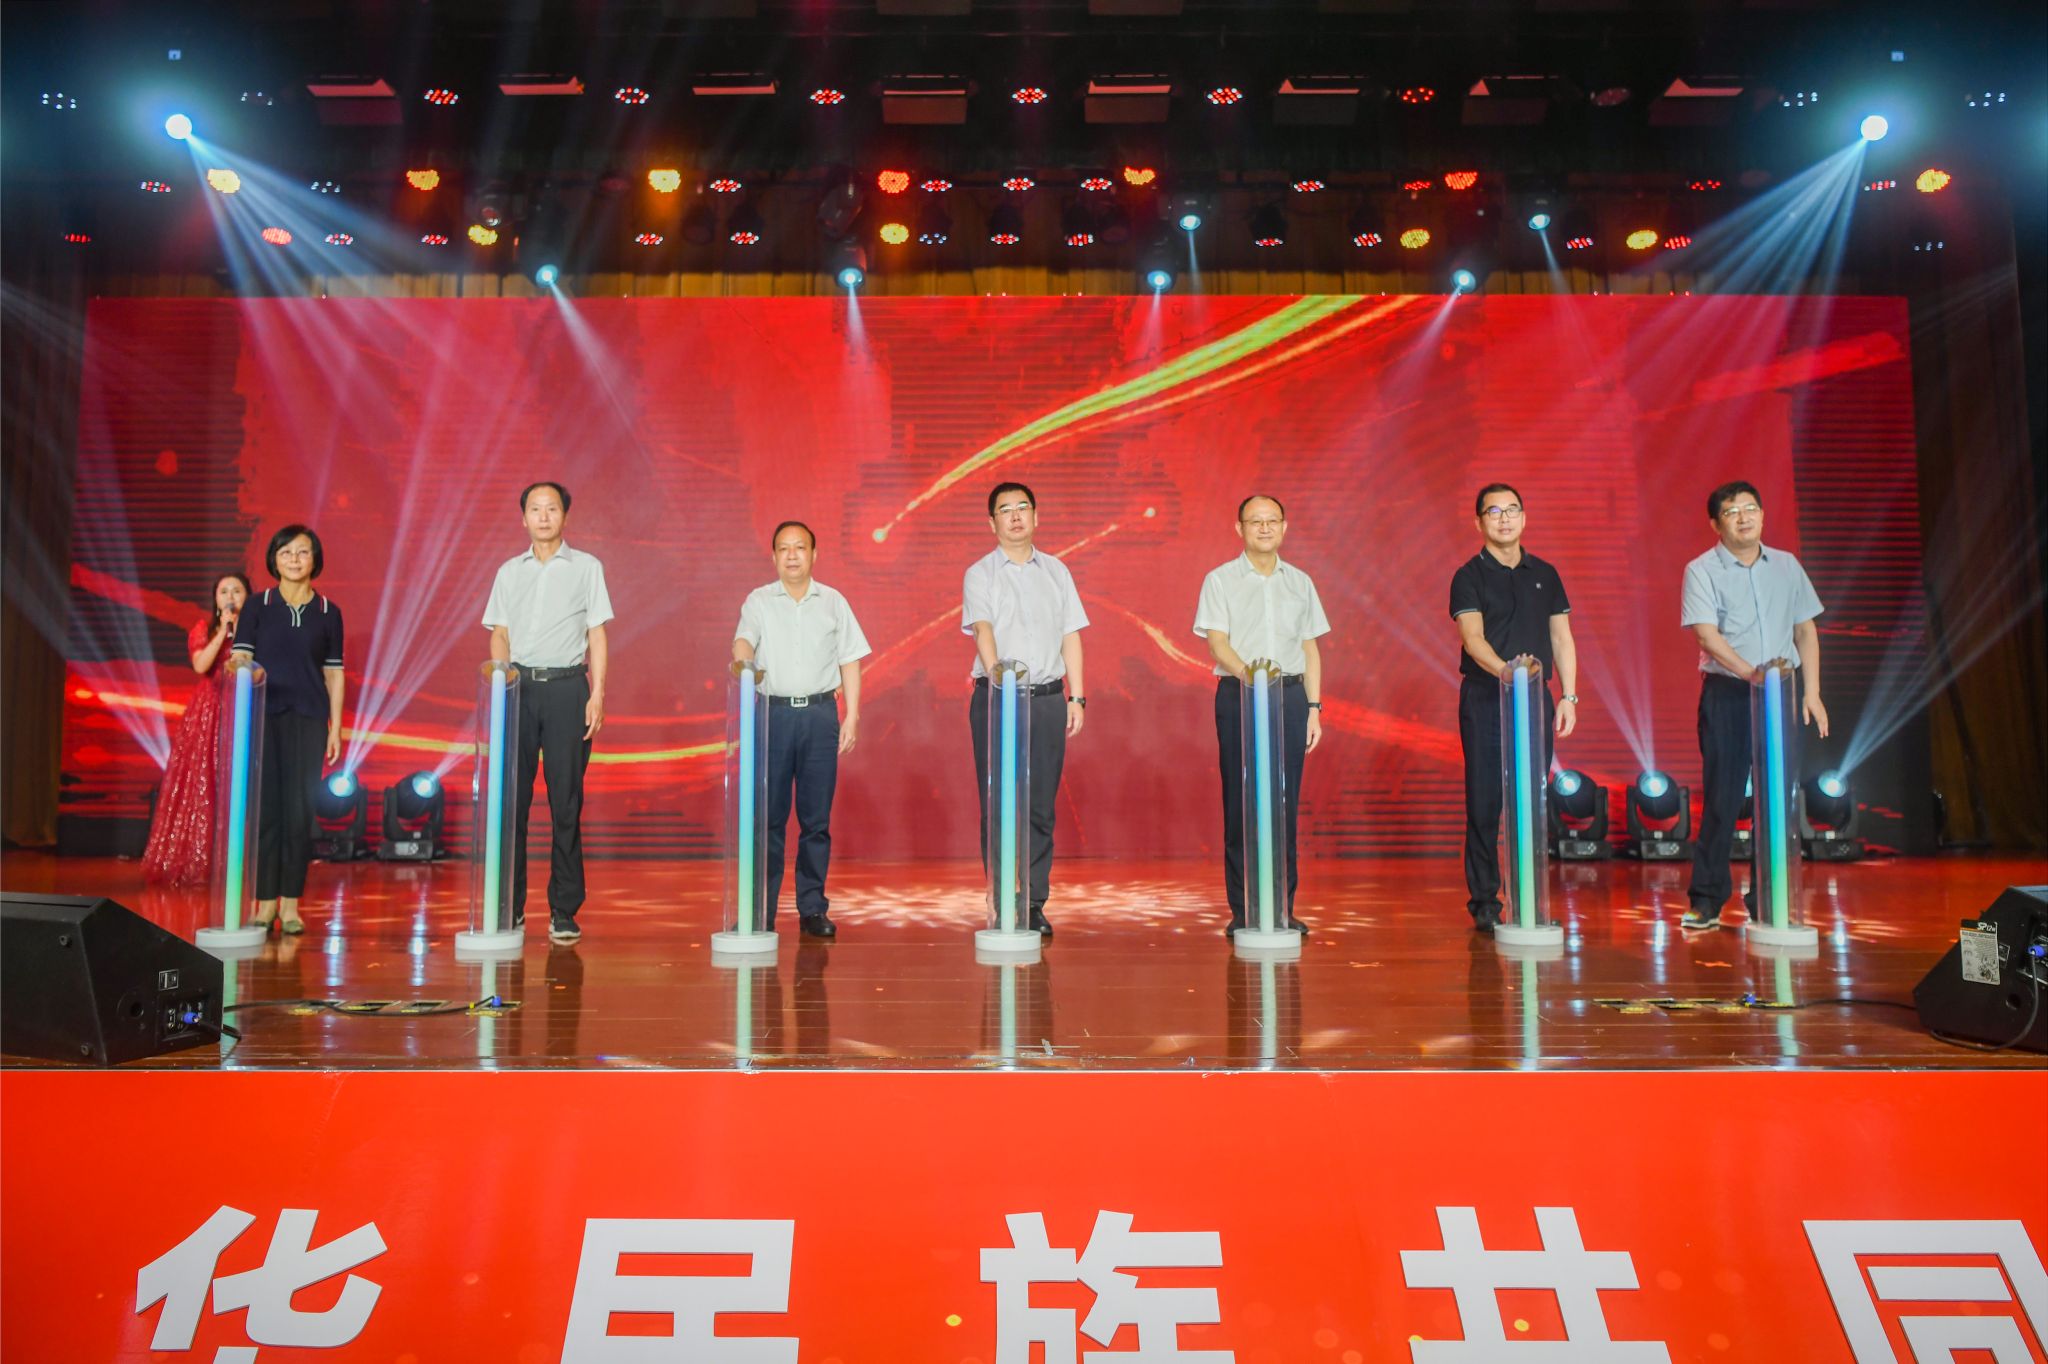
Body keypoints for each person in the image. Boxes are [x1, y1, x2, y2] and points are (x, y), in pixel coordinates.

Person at [1679, 480, 1827, 930]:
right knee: (1723, 798)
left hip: (1780, 694)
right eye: (1731, 511)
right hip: (1728, 693)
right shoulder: (1701, 570)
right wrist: (1751, 674)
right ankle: (1707, 899)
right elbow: (1707, 636)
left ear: (1762, 515)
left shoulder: (1786, 565)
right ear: (1715, 524)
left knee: (1777, 798)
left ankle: (1767, 899)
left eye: (1750, 509)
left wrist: (1811, 692)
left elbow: (1805, 631)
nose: (1743, 517)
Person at [483, 481, 613, 945]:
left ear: (564, 516)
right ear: (523, 518)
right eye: (535, 509)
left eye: (551, 509)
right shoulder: (508, 572)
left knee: (566, 803)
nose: (543, 516)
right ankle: (509, 906)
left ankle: (564, 910)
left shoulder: (587, 567)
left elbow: (597, 633)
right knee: (511, 803)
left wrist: (598, 693)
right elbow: (499, 633)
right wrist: (501, 679)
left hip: (567, 690)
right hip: (518, 688)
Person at [1195, 495, 1330, 937]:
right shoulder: (1220, 580)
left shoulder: (1300, 582)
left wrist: (1313, 707)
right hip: (1240, 694)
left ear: (1285, 527)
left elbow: (1310, 648)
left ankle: (1282, 907)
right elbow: (1217, 643)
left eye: (1273, 521)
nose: (1265, 528)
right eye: (1256, 521)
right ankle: (1245, 910)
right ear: (1240, 528)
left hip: (1290, 697)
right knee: (1242, 803)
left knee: (1284, 804)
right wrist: (1251, 677)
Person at [1449, 484, 1580, 933]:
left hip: (1535, 698)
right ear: (1479, 522)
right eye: (1494, 511)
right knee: (1485, 803)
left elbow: (1561, 637)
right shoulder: (1469, 575)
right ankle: (1486, 901)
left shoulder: (1544, 573)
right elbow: (1473, 639)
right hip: (1487, 697)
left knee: (1531, 801)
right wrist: (1508, 673)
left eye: (1512, 510)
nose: (1504, 518)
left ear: (1524, 517)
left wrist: (1568, 695)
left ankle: (1529, 899)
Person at [732, 520, 871, 938]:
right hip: (772, 717)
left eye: (800, 548)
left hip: (819, 716)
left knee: (816, 820)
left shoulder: (833, 602)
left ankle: (812, 909)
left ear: (814, 554)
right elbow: (743, 641)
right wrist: (742, 661)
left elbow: (850, 659)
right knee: (767, 820)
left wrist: (852, 715)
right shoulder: (759, 601)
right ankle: (759, 911)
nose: (791, 555)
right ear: (773, 556)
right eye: (783, 548)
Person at [964, 481, 1088, 939]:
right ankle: (1002, 899)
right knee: (998, 804)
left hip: (1048, 699)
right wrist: (999, 675)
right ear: (991, 522)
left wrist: (1077, 696)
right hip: (998, 699)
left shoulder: (1057, 571)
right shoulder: (980, 573)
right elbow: (983, 629)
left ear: (1036, 516)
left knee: (1040, 806)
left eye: (1023, 508)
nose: (1015, 516)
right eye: (1005, 510)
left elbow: (1071, 634)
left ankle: (1033, 902)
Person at [230, 528, 345, 934]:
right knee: (267, 812)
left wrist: (335, 727)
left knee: (299, 813)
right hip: (264, 719)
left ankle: (291, 905)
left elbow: (334, 673)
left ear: (315, 559)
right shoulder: (258, 606)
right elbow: (241, 658)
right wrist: (239, 667)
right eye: (286, 552)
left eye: (302, 552)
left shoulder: (328, 611)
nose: (294, 559)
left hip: (310, 720)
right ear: (274, 559)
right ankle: (264, 905)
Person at [142, 572, 251, 887]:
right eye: (223, 591)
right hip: (209, 712)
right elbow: (201, 665)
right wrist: (223, 632)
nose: (230, 596)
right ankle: (200, 860)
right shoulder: (203, 629)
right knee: (203, 781)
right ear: (215, 599)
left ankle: (238, 862)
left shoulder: (255, 631)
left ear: (248, 596)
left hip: (243, 708)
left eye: (237, 590)